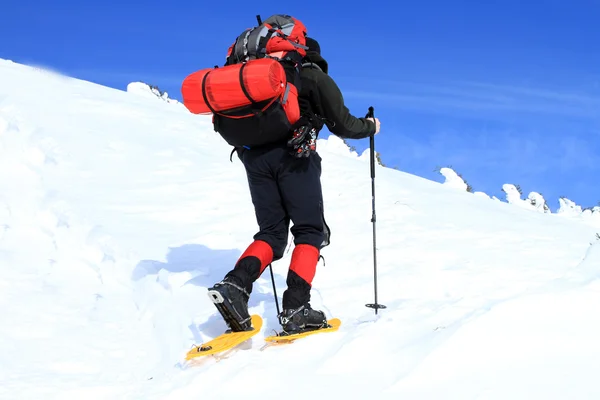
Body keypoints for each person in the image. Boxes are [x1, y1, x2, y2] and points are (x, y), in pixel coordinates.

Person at [208, 35, 381, 334]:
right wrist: (371, 126)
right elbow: (344, 124)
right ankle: (296, 308)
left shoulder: (259, 75)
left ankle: (235, 286)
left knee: (272, 235)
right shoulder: (310, 74)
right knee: (310, 231)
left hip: (254, 159)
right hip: (295, 158)